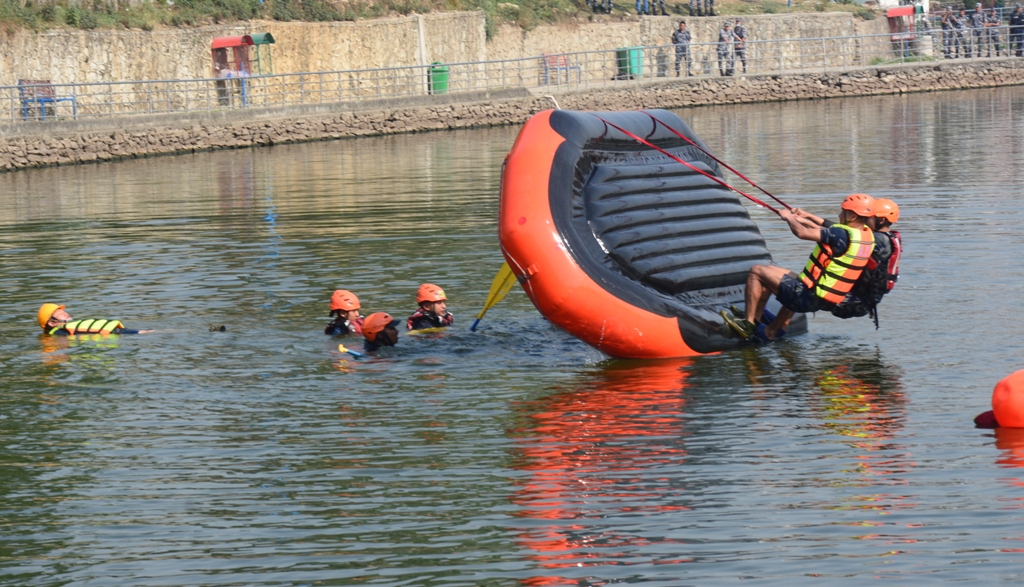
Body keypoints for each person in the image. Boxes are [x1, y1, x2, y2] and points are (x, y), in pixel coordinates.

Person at [721, 194, 876, 340]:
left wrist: (789, 218)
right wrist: (803, 217)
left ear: (853, 216)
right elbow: (826, 230)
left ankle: (747, 325)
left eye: (843, 212)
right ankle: (762, 323)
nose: (839, 215)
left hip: (808, 296)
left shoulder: (841, 234)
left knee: (756, 271)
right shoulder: (864, 235)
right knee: (774, 272)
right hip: (823, 298)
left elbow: (802, 233)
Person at [766, 199, 901, 335]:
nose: (864, 220)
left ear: (882, 220)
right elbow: (839, 231)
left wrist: (800, 221)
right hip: (862, 302)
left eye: (869, 217)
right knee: (805, 281)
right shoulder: (887, 238)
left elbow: (840, 234)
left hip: (850, 302)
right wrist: (807, 217)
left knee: (807, 285)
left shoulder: (876, 239)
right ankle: (778, 328)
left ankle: (771, 329)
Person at [37, 303, 153, 335]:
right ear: (52, 323)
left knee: (148, 332)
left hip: (112, 333)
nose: (65, 312)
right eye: (60, 313)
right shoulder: (58, 333)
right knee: (148, 332)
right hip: (111, 333)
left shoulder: (63, 330)